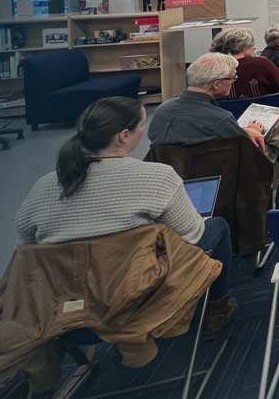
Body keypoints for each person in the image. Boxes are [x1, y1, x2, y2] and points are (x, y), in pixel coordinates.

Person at [15, 97, 238, 334]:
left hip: (64, 307)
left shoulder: (45, 185)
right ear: (124, 135)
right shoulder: (157, 176)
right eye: (142, 125)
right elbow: (192, 235)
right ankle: (218, 309)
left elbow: (26, 242)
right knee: (218, 226)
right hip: (138, 294)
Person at [148, 53, 279, 194]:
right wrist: (250, 131)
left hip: (178, 177)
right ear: (216, 84)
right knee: (275, 147)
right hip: (225, 180)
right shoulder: (220, 118)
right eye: (232, 77)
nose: (234, 80)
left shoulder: (163, 110)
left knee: (268, 132)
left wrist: (246, 131)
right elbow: (247, 153)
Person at [210, 27, 279, 128]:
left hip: (229, 124)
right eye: (251, 44)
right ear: (243, 46)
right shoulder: (262, 64)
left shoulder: (213, 68)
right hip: (270, 122)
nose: (254, 48)